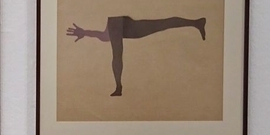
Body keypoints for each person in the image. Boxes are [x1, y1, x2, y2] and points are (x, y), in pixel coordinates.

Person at [67, 16, 206, 96]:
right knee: (162, 24)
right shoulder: (114, 24)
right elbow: (105, 36)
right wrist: (85, 32)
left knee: (117, 54)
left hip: (124, 23)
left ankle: (118, 87)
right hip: (128, 26)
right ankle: (196, 23)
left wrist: (85, 33)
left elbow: (106, 38)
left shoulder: (115, 21)